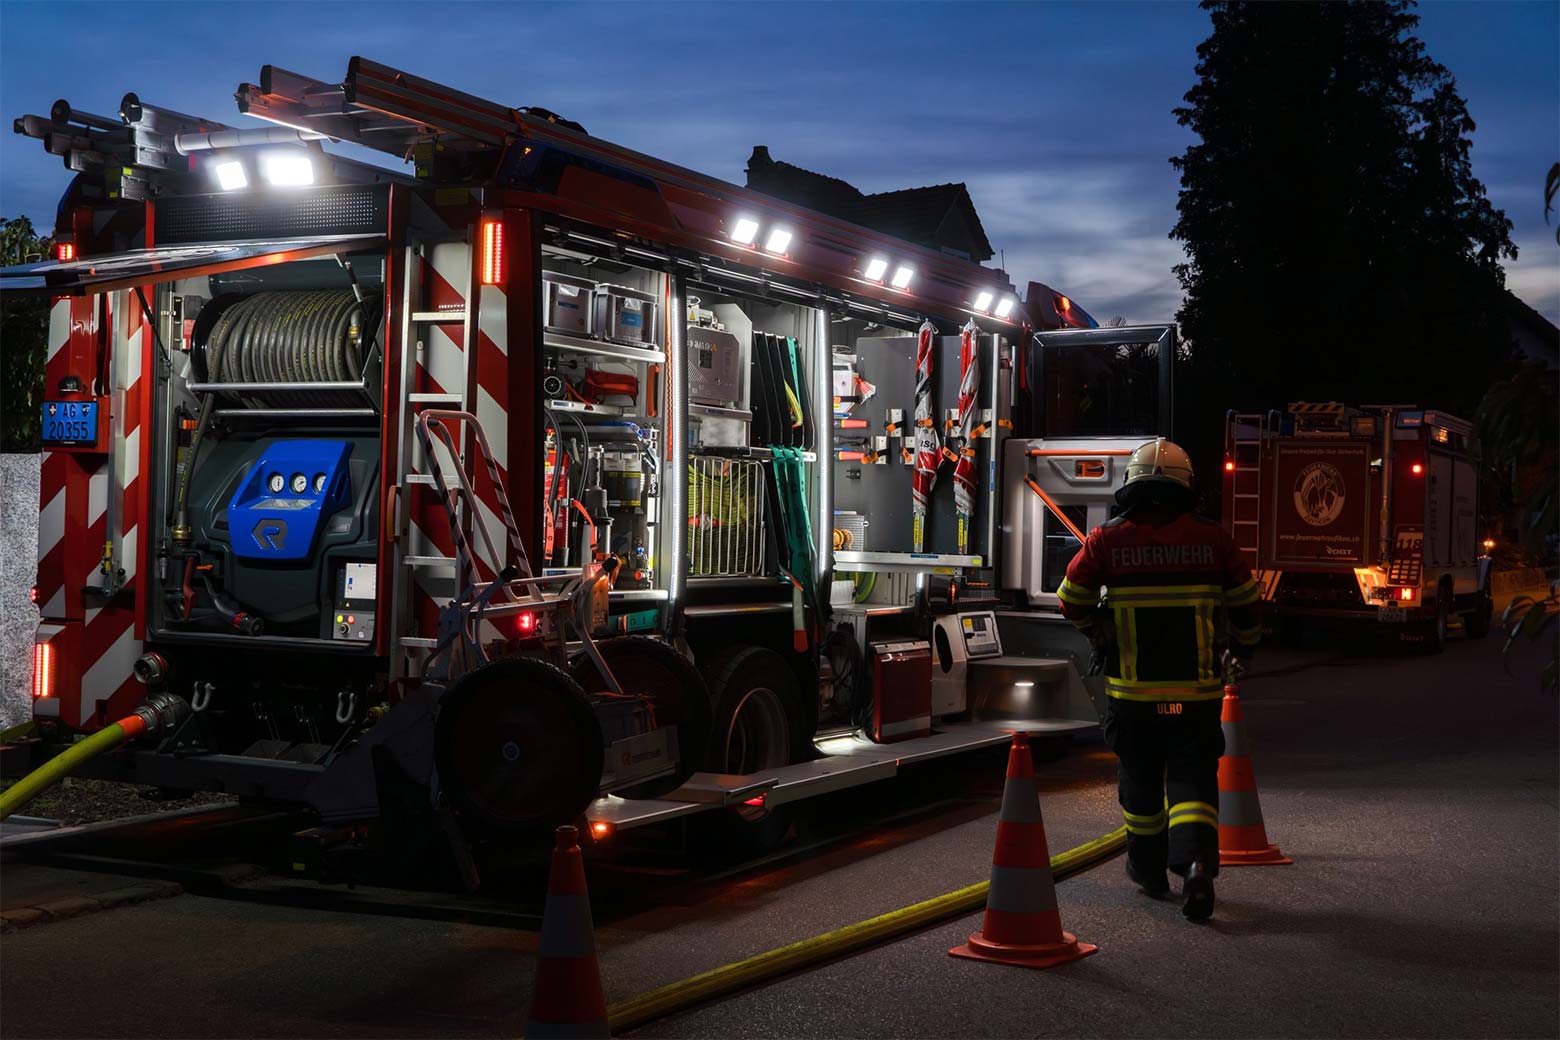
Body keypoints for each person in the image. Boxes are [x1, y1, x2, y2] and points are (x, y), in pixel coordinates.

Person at [1056, 438, 1261, 920]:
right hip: (1196, 695)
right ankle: (1196, 866)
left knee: (1140, 783)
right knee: (1193, 779)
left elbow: (1071, 598)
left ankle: (1148, 872)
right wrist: (1241, 650)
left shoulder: (1107, 540)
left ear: (1131, 484)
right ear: (1186, 486)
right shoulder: (1214, 540)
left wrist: (1098, 629)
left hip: (1133, 697)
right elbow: (1248, 606)